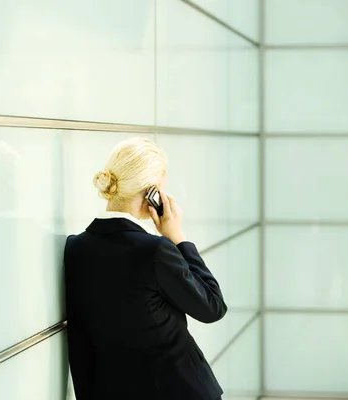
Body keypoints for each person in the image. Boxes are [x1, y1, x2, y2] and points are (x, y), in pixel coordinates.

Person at [64, 137, 227, 400]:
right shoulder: (155, 250)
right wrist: (178, 237)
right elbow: (212, 307)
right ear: (152, 194)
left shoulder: (76, 248)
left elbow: (80, 342)